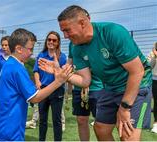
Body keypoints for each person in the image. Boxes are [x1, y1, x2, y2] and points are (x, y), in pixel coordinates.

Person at [38, 5, 152, 141]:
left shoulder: (113, 32)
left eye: (67, 30)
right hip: (111, 88)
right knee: (101, 129)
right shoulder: (76, 47)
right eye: (63, 31)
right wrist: (60, 73)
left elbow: (137, 71)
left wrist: (125, 108)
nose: (65, 36)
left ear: (82, 23)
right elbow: (85, 81)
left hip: (138, 85)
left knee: (127, 135)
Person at [0, 28, 72, 141]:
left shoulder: (8, 64)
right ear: (18, 49)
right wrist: (59, 81)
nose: (32, 52)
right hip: (9, 129)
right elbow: (35, 98)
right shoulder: (16, 68)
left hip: (1, 125)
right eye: (30, 49)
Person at [33, 31, 66, 141]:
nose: (51, 42)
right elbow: (36, 71)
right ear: (46, 41)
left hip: (57, 91)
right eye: (49, 39)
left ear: (58, 43)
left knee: (57, 120)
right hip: (43, 90)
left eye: (54, 40)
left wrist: (57, 70)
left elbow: (64, 74)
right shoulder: (41, 55)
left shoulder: (62, 57)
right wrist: (37, 82)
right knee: (42, 120)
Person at [147, 42, 157, 133]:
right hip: (155, 80)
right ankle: (156, 124)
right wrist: (154, 56)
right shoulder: (152, 53)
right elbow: (150, 66)